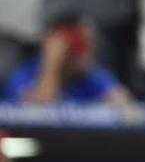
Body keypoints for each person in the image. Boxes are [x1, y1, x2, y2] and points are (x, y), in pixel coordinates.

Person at [3, 19, 133, 108]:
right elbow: (38, 113)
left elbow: (129, 111)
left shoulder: (92, 77)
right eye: (81, 44)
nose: (89, 50)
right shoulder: (23, 75)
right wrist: (51, 64)